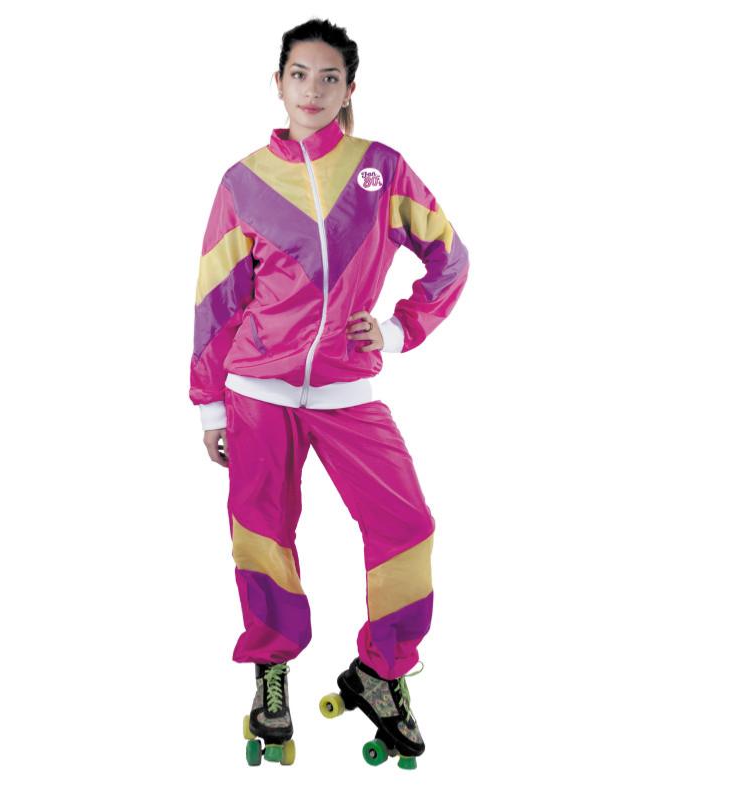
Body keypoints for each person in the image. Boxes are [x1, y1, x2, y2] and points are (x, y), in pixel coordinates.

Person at [189, 18, 469, 768]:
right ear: (277, 83)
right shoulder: (244, 182)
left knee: (407, 526)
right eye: (299, 75)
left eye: (329, 77)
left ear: (349, 90)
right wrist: (210, 402)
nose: (312, 90)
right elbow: (216, 299)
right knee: (262, 531)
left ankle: (381, 669)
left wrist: (400, 330)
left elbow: (449, 257)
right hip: (258, 389)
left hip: (348, 390)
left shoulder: (382, 170)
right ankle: (271, 671)